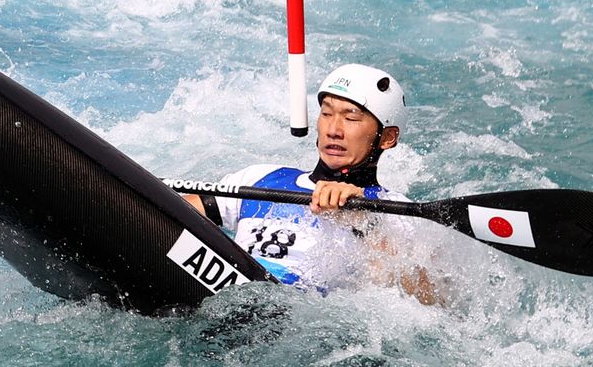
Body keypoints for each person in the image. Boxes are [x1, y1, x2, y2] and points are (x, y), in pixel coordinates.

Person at [183, 64, 438, 304]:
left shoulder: (397, 212)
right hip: (220, 293)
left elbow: (428, 303)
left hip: (294, 316)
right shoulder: (261, 178)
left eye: (351, 118)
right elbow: (173, 217)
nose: (333, 130)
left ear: (388, 137)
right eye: (326, 114)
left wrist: (365, 223)